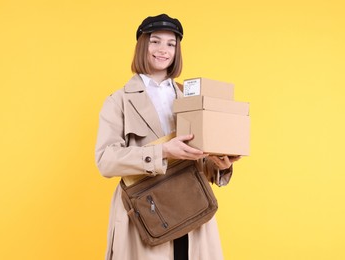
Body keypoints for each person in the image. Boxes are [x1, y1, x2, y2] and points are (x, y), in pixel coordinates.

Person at [95, 13, 240, 260]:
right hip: (146, 212)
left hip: (192, 208)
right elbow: (105, 161)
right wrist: (162, 151)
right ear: (142, 45)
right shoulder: (119, 100)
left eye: (171, 44)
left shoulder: (191, 97)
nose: (163, 50)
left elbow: (197, 159)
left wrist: (219, 164)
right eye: (155, 41)